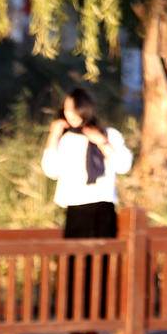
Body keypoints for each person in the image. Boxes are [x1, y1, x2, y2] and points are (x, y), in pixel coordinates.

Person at [40, 87, 133, 241]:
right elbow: (51, 170)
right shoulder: (67, 139)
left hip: (103, 205)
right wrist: (54, 135)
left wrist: (102, 143)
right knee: (76, 261)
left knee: (104, 260)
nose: (69, 114)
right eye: (66, 109)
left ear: (85, 108)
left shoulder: (109, 134)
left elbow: (123, 166)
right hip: (76, 206)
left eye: (73, 108)